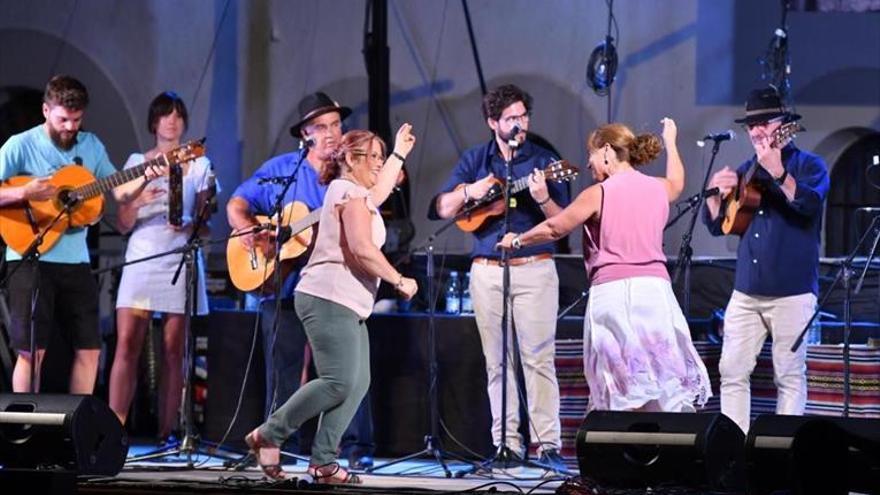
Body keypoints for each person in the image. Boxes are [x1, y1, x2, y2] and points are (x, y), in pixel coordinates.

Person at [498, 118, 712, 414]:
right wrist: (671, 141)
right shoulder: (658, 187)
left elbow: (556, 228)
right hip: (657, 295)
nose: (589, 164)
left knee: (620, 388)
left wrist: (518, 240)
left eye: (592, 155)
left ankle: (622, 450)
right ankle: (662, 452)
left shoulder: (599, 194)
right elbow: (677, 182)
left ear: (608, 151)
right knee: (661, 385)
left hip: (616, 295)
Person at [244, 126, 417, 483]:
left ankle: (323, 461)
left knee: (358, 382)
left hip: (349, 302)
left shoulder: (362, 195)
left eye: (381, 158)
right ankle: (269, 433)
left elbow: (382, 189)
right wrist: (398, 280)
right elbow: (362, 248)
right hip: (327, 296)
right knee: (339, 381)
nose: (380, 165)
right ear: (352, 160)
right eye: (375, 158)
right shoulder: (346, 191)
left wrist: (399, 152)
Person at [228, 92, 374, 467]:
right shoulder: (281, 170)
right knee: (283, 368)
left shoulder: (351, 174)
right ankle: (276, 446)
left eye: (336, 125)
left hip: (335, 291)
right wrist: (248, 230)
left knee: (345, 372)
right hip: (285, 286)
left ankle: (353, 450)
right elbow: (237, 203)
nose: (331, 134)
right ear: (305, 134)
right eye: (321, 127)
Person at [429, 84, 568, 471]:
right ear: (493, 122)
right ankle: (505, 443)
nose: (519, 124)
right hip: (487, 271)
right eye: (511, 118)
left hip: (534, 268)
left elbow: (563, 219)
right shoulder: (476, 160)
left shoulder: (545, 160)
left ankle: (547, 445)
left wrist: (541, 196)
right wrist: (470, 191)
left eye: (523, 116)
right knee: (497, 362)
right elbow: (442, 208)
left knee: (538, 359)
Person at [702, 87, 829, 434]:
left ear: (784, 125)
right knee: (731, 372)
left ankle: (784, 456)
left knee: (788, 375)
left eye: (764, 122)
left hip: (792, 291)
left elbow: (808, 205)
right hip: (746, 291)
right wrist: (717, 196)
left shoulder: (810, 166)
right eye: (751, 125)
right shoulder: (746, 170)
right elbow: (720, 226)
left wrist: (778, 173)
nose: (757, 130)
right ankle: (733, 453)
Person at [0, 75, 122, 394]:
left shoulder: (91, 145)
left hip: (76, 262)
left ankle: (77, 432)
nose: (70, 127)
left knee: (90, 347)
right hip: (29, 257)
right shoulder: (19, 145)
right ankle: (23, 430)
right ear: (45, 111)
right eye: (63, 119)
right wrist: (24, 191)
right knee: (31, 351)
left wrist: (149, 176)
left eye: (76, 120)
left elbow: (119, 190)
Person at [107, 91, 216, 441]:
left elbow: (207, 216)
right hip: (143, 255)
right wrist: (139, 199)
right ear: (154, 122)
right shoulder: (137, 161)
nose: (173, 121)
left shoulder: (198, 163)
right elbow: (123, 222)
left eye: (178, 115)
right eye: (166, 115)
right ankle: (113, 430)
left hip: (179, 257)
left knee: (174, 350)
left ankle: (167, 433)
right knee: (127, 344)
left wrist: (191, 220)